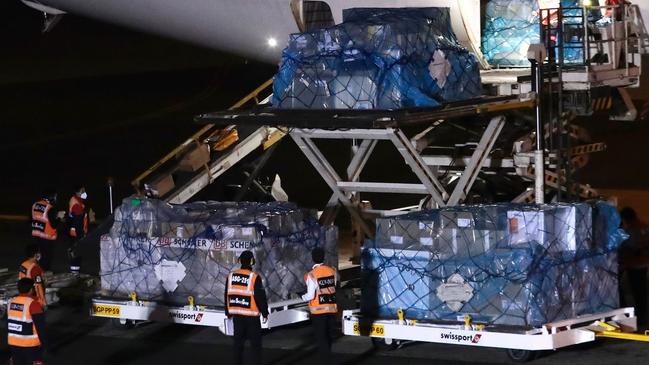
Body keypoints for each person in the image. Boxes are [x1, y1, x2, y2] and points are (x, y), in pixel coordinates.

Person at [225, 250, 268, 365]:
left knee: (238, 345)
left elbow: (227, 294)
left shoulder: (231, 276)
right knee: (255, 345)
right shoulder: (254, 277)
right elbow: (260, 297)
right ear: (252, 261)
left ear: (239, 261)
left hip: (237, 316)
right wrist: (265, 313)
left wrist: (228, 312)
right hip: (251, 316)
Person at [302, 247, 338, 365]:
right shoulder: (332, 271)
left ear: (312, 259)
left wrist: (302, 297)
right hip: (331, 310)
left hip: (318, 313)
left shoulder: (312, 275)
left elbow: (311, 295)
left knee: (321, 339)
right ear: (324, 257)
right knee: (329, 338)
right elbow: (334, 286)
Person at [618, 207, 649, 325]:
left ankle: (639, 317)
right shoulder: (643, 226)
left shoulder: (632, 229)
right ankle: (641, 316)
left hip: (634, 263)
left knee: (638, 290)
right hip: (641, 263)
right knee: (641, 291)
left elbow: (630, 247)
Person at [7, 278, 47, 365]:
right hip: (30, 344)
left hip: (13, 343)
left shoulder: (11, 302)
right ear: (31, 289)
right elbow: (40, 325)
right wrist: (44, 343)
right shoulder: (33, 304)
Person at [31, 190, 59, 272]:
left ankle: (38, 271)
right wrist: (59, 218)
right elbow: (54, 225)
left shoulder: (35, 204)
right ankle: (44, 273)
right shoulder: (49, 208)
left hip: (37, 234)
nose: (55, 199)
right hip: (47, 236)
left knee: (39, 255)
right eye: (55, 197)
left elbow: (32, 218)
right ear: (50, 197)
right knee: (46, 257)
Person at [68, 185, 89, 273]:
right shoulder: (76, 204)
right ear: (78, 192)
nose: (84, 193)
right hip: (77, 233)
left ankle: (75, 271)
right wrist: (81, 234)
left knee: (76, 252)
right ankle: (75, 273)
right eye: (82, 191)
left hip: (76, 232)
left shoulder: (78, 201)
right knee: (76, 252)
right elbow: (77, 221)